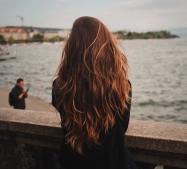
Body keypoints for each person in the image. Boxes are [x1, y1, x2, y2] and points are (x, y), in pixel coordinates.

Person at [52, 16, 138, 169]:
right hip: (112, 163)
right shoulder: (122, 86)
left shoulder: (59, 86)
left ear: (71, 46)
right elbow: (122, 128)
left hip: (72, 162)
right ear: (106, 46)